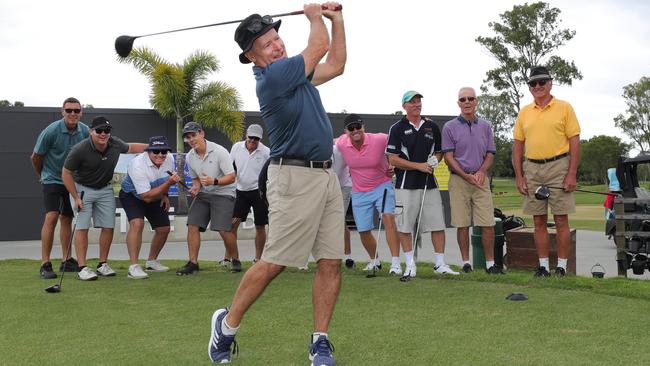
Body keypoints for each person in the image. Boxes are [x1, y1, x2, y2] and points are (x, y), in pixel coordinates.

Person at [207, 4, 346, 364]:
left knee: (330, 262)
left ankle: (320, 341)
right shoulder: (273, 78)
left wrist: (338, 21)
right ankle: (226, 326)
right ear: (252, 55)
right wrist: (316, 16)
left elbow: (336, 64)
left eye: (277, 38)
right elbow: (317, 49)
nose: (277, 46)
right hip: (293, 176)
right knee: (274, 262)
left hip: (325, 175)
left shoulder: (294, 76)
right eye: (267, 44)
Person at [513, 66, 581, 278]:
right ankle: (543, 266)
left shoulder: (564, 107)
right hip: (532, 168)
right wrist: (519, 175)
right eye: (533, 83)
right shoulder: (524, 112)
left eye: (542, 82)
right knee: (538, 221)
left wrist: (571, 174)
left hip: (559, 166)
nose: (538, 86)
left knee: (561, 220)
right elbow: (517, 146)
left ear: (550, 83)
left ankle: (561, 266)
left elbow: (575, 142)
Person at [62, 116, 147, 281]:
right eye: (99, 130)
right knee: (82, 227)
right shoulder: (80, 149)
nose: (103, 134)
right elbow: (66, 173)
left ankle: (102, 264)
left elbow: (131, 147)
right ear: (91, 132)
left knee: (108, 226)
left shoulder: (115, 143)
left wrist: (155, 147)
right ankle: (82, 267)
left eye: (106, 131)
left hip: (105, 189)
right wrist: (75, 197)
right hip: (82, 190)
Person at [387, 91, 459, 277]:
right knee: (404, 226)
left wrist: (436, 160)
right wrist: (417, 166)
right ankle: (410, 264)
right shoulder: (397, 128)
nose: (416, 104)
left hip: (429, 184)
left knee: (437, 224)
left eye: (418, 101)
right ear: (404, 106)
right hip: (405, 185)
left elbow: (439, 152)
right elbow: (393, 159)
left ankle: (440, 264)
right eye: (412, 102)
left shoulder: (431, 126)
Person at [442, 87, 503, 274]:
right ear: (458, 103)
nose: (467, 102)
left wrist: (481, 171)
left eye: (470, 98)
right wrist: (465, 174)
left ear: (476, 102)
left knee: (487, 224)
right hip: (459, 180)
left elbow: (490, 153)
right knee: (461, 224)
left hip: (480, 180)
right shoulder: (449, 127)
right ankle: (465, 263)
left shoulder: (485, 126)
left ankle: (490, 264)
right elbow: (448, 157)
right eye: (463, 99)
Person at [336, 113, 403, 274]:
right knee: (363, 229)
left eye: (358, 126)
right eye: (351, 128)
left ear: (363, 127)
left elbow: (399, 140)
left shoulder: (379, 139)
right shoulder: (341, 143)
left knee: (388, 218)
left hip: (382, 185)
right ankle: (375, 261)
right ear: (346, 131)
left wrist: (394, 165)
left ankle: (395, 263)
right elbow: (326, 141)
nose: (355, 130)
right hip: (359, 191)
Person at [31, 97, 89, 278]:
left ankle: (66, 260)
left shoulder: (85, 131)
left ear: (81, 112)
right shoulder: (51, 131)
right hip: (52, 179)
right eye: (69, 110)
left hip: (71, 181)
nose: (73, 113)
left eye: (76, 110)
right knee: (52, 216)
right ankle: (45, 264)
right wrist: (42, 176)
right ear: (62, 111)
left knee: (67, 218)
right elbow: (35, 157)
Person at [176, 121, 239, 275]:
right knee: (192, 224)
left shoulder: (220, 152)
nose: (191, 139)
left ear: (202, 134)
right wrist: (196, 187)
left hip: (224, 192)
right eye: (188, 137)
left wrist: (214, 181)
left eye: (193, 135)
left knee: (223, 230)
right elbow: (196, 179)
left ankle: (235, 259)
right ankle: (193, 263)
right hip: (205, 194)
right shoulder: (190, 156)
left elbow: (232, 177)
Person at [118, 136, 181, 279]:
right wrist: (168, 184)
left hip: (155, 193)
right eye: (156, 151)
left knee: (164, 229)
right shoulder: (137, 164)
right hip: (132, 195)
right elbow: (146, 196)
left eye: (163, 151)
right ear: (148, 151)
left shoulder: (169, 159)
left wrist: (165, 195)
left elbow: (166, 178)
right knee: (137, 223)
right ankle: (133, 267)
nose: (160, 155)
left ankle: (151, 261)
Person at [230, 124, 270, 264]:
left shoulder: (266, 152)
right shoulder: (236, 147)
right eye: (250, 137)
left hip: (259, 193)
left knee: (260, 226)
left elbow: (269, 173)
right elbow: (230, 167)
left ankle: (258, 259)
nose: (253, 140)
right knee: (233, 224)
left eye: (256, 138)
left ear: (260, 139)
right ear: (246, 135)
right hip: (241, 191)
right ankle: (234, 258)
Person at [332, 143, 355, 269]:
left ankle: (348, 257)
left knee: (340, 220)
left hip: (344, 186)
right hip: (327, 186)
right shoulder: (316, 152)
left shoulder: (339, 149)